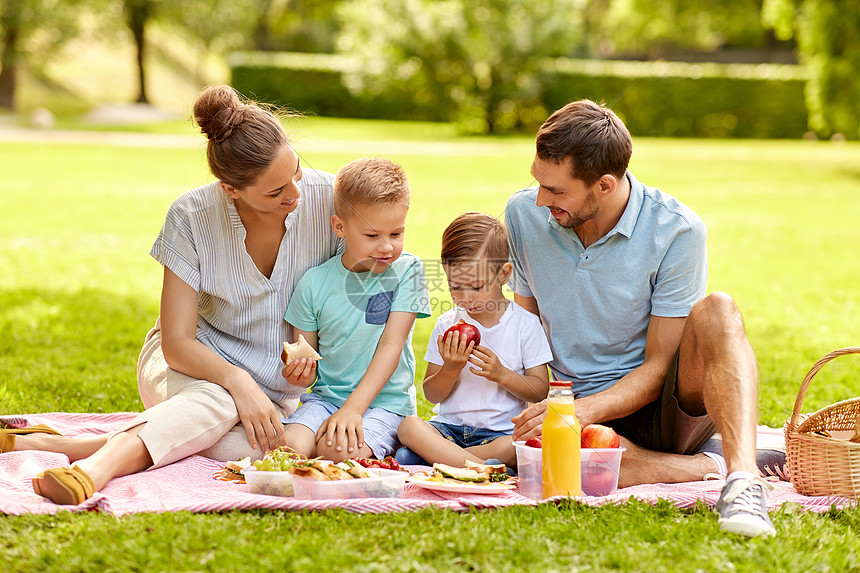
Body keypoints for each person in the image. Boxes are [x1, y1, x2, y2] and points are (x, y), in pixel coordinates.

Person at [1, 85, 341, 505]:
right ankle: (92, 470)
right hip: (186, 365)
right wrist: (238, 382)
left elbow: (359, 295)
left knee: (261, 449)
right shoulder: (191, 216)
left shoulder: (331, 202)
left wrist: (312, 360)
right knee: (216, 404)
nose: (295, 194)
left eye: (296, 172)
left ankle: (58, 446)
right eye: (275, 192)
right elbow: (177, 343)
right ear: (230, 189)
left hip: (274, 389)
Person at [505, 100, 776, 538]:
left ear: (605, 186)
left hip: (659, 409)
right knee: (574, 462)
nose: (540, 200)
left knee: (718, 308)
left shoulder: (678, 230)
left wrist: (583, 410)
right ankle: (708, 465)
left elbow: (657, 368)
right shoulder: (523, 216)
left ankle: (743, 480)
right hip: (567, 409)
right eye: (538, 182)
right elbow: (523, 329)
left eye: (556, 191)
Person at [279, 157, 431, 462]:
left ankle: (397, 447)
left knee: (336, 452)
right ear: (340, 227)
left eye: (396, 234)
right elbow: (305, 361)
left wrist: (353, 410)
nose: (387, 247)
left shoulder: (407, 271)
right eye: (372, 236)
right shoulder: (314, 282)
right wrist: (297, 374)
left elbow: (391, 346)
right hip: (325, 400)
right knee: (288, 450)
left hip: (384, 404)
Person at [396, 212, 551, 468]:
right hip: (448, 431)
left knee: (513, 446)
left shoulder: (525, 324)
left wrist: (502, 374)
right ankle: (480, 467)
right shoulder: (448, 324)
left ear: (504, 274)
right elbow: (432, 394)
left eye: (476, 287)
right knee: (408, 427)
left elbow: (540, 389)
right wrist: (450, 368)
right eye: (455, 286)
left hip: (497, 435)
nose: (465, 298)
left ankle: (445, 462)